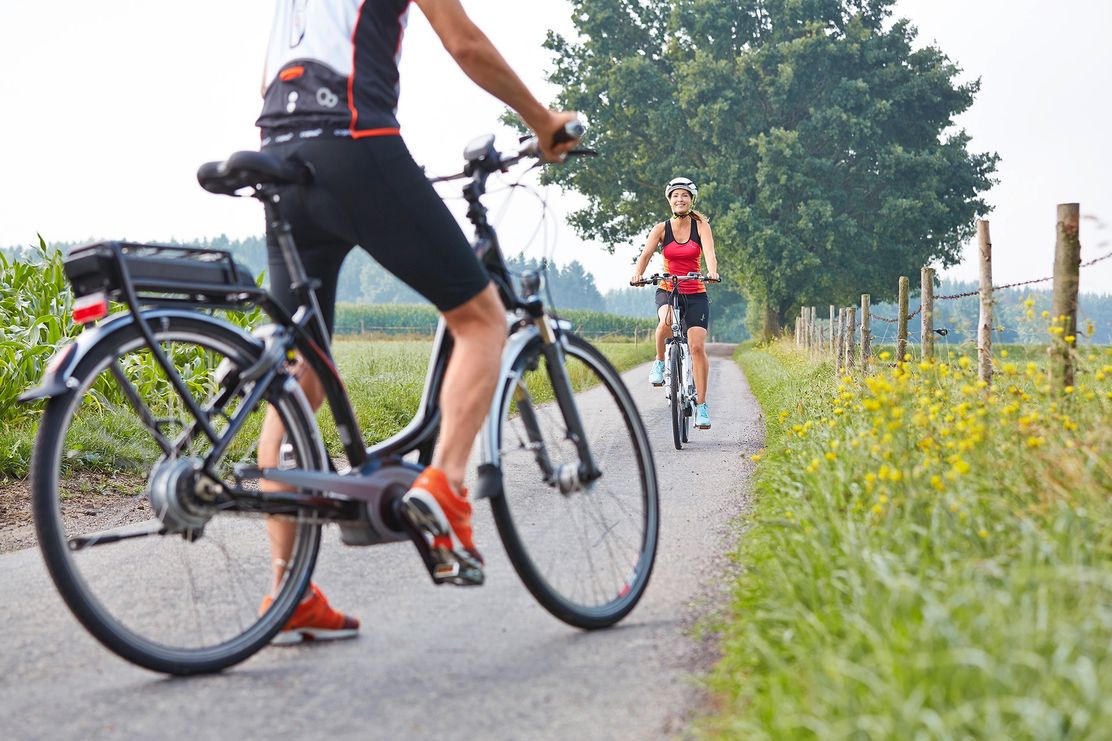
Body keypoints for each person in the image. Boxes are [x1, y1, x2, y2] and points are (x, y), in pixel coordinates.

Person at [253, 0, 579, 643]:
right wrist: (543, 120)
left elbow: (270, 76)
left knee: (301, 372)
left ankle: (287, 586)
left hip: (279, 152)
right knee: (482, 316)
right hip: (355, 140)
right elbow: (464, 43)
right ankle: (447, 486)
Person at [630, 177, 719, 430]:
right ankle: (660, 362)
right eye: (675, 196)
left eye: (685, 196)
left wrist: (711, 272)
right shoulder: (661, 228)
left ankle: (701, 405)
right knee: (666, 321)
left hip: (695, 291)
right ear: (669, 200)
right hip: (668, 288)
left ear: (691, 200)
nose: (680, 199)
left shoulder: (700, 226)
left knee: (697, 347)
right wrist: (638, 274)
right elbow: (646, 254)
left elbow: (710, 254)